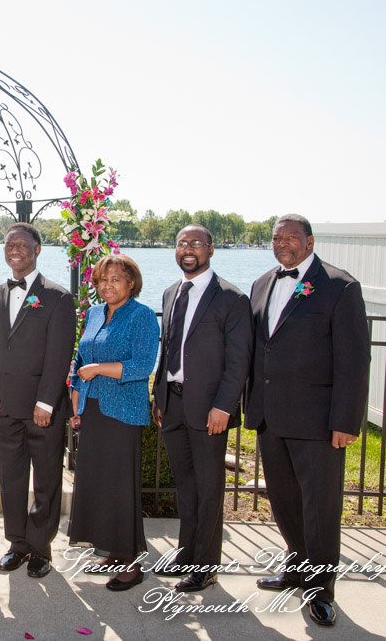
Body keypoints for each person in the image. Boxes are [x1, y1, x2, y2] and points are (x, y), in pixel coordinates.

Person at [246, 214, 370, 627]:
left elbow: (354, 362)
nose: (282, 243)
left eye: (291, 237)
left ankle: (320, 590)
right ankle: (297, 567)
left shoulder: (340, 286)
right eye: (277, 237)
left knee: (320, 507)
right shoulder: (261, 283)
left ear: (310, 241)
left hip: (317, 421)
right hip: (270, 417)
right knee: (284, 502)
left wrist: (346, 421)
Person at [152, 225, 253, 592]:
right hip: (173, 404)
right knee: (186, 486)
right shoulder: (170, 292)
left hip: (209, 408)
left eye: (195, 243)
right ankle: (186, 551)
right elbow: (168, 349)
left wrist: (224, 407)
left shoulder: (231, 298)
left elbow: (238, 362)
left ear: (211, 249)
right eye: (181, 243)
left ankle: (206, 566)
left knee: (209, 488)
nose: (188, 249)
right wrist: (159, 397)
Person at [0, 222, 76, 578]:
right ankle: (17, 544)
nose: (15, 249)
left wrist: (47, 403)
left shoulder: (58, 297)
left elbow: (59, 356)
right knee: (10, 479)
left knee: (46, 481)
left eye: (22, 244)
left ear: (37, 249)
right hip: (6, 406)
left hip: (42, 410)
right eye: (9, 244)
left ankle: (41, 547)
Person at [67, 254, 160, 591]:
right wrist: (77, 391)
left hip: (122, 413)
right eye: (103, 280)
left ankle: (132, 563)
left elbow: (142, 366)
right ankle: (113, 552)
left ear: (131, 283)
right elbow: (81, 358)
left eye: (116, 279)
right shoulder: (93, 313)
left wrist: (97, 370)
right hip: (92, 410)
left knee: (121, 487)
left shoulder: (143, 316)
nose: (108, 285)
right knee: (98, 484)